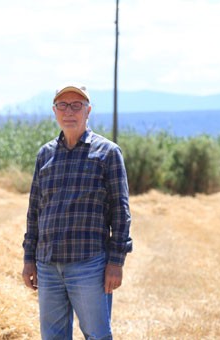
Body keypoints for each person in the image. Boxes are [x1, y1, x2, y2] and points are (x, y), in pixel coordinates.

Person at [21, 84, 132, 339]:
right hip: (48, 266)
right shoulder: (45, 154)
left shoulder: (108, 153)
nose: (69, 111)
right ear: (54, 111)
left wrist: (116, 261)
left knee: (97, 335)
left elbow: (121, 212)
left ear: (88, 110)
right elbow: (34, 211)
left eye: (76, 105)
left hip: (89, 263)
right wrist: (29, 259)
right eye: (63, 105)